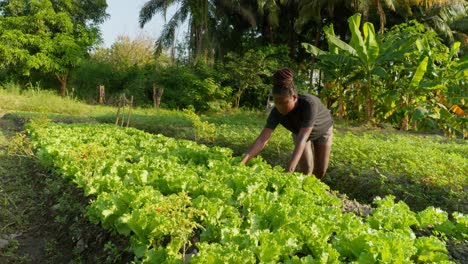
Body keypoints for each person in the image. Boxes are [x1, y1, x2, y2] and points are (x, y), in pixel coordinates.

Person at [240, 68, 333, 179]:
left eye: (283, 103)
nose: (280, 107)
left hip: (322, 129)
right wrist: (243, 162)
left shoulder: (309, 105)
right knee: (306, 170)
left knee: (320, 171)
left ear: (294, 97)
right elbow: (262, 139)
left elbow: (303, 139)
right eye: (276, 103)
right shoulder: (276, 112)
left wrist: (290, 169)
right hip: (300, 133)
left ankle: (315, 188)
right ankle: (305, 192)